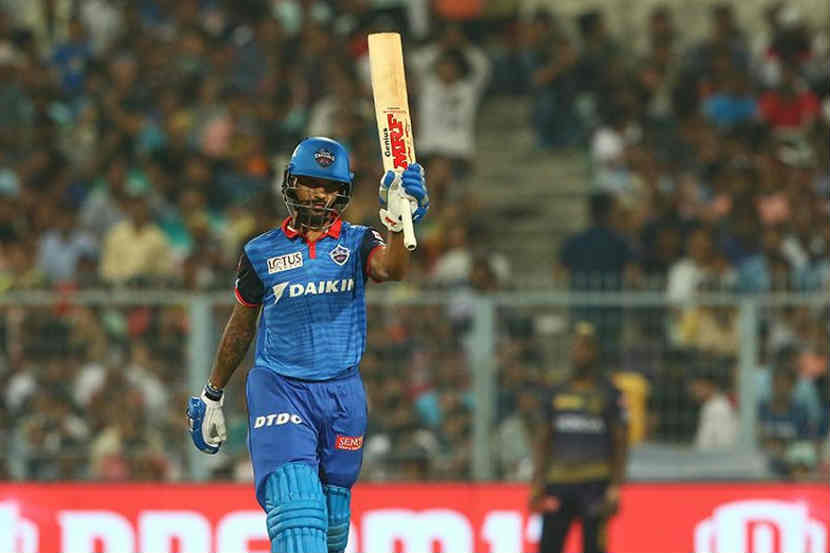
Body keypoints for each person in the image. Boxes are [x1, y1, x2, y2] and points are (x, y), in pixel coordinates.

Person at [186, 136, 428, 553]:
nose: (319, 194)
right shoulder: (261, 252)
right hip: (280, 389)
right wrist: (213, 394)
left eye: (329, 187)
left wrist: (398, 221)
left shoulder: (358, 242)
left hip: (342, 395)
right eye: (310, 183)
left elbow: (392, 269)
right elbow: (241, 326)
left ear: (343, 193)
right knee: (299, 519)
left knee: (332, 532)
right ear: (291, 183)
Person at [530, 322, 628, 553]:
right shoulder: (555, 392)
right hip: (558, 481)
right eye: (576, 347)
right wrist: (537, 483)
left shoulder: (609, 393)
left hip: (595, 483)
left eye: (586, 347)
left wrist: (616, 486)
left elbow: (620, 441)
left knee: (594, 547)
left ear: (595, 352)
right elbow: (543, 439)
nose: (580, 353)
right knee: (549, 547)